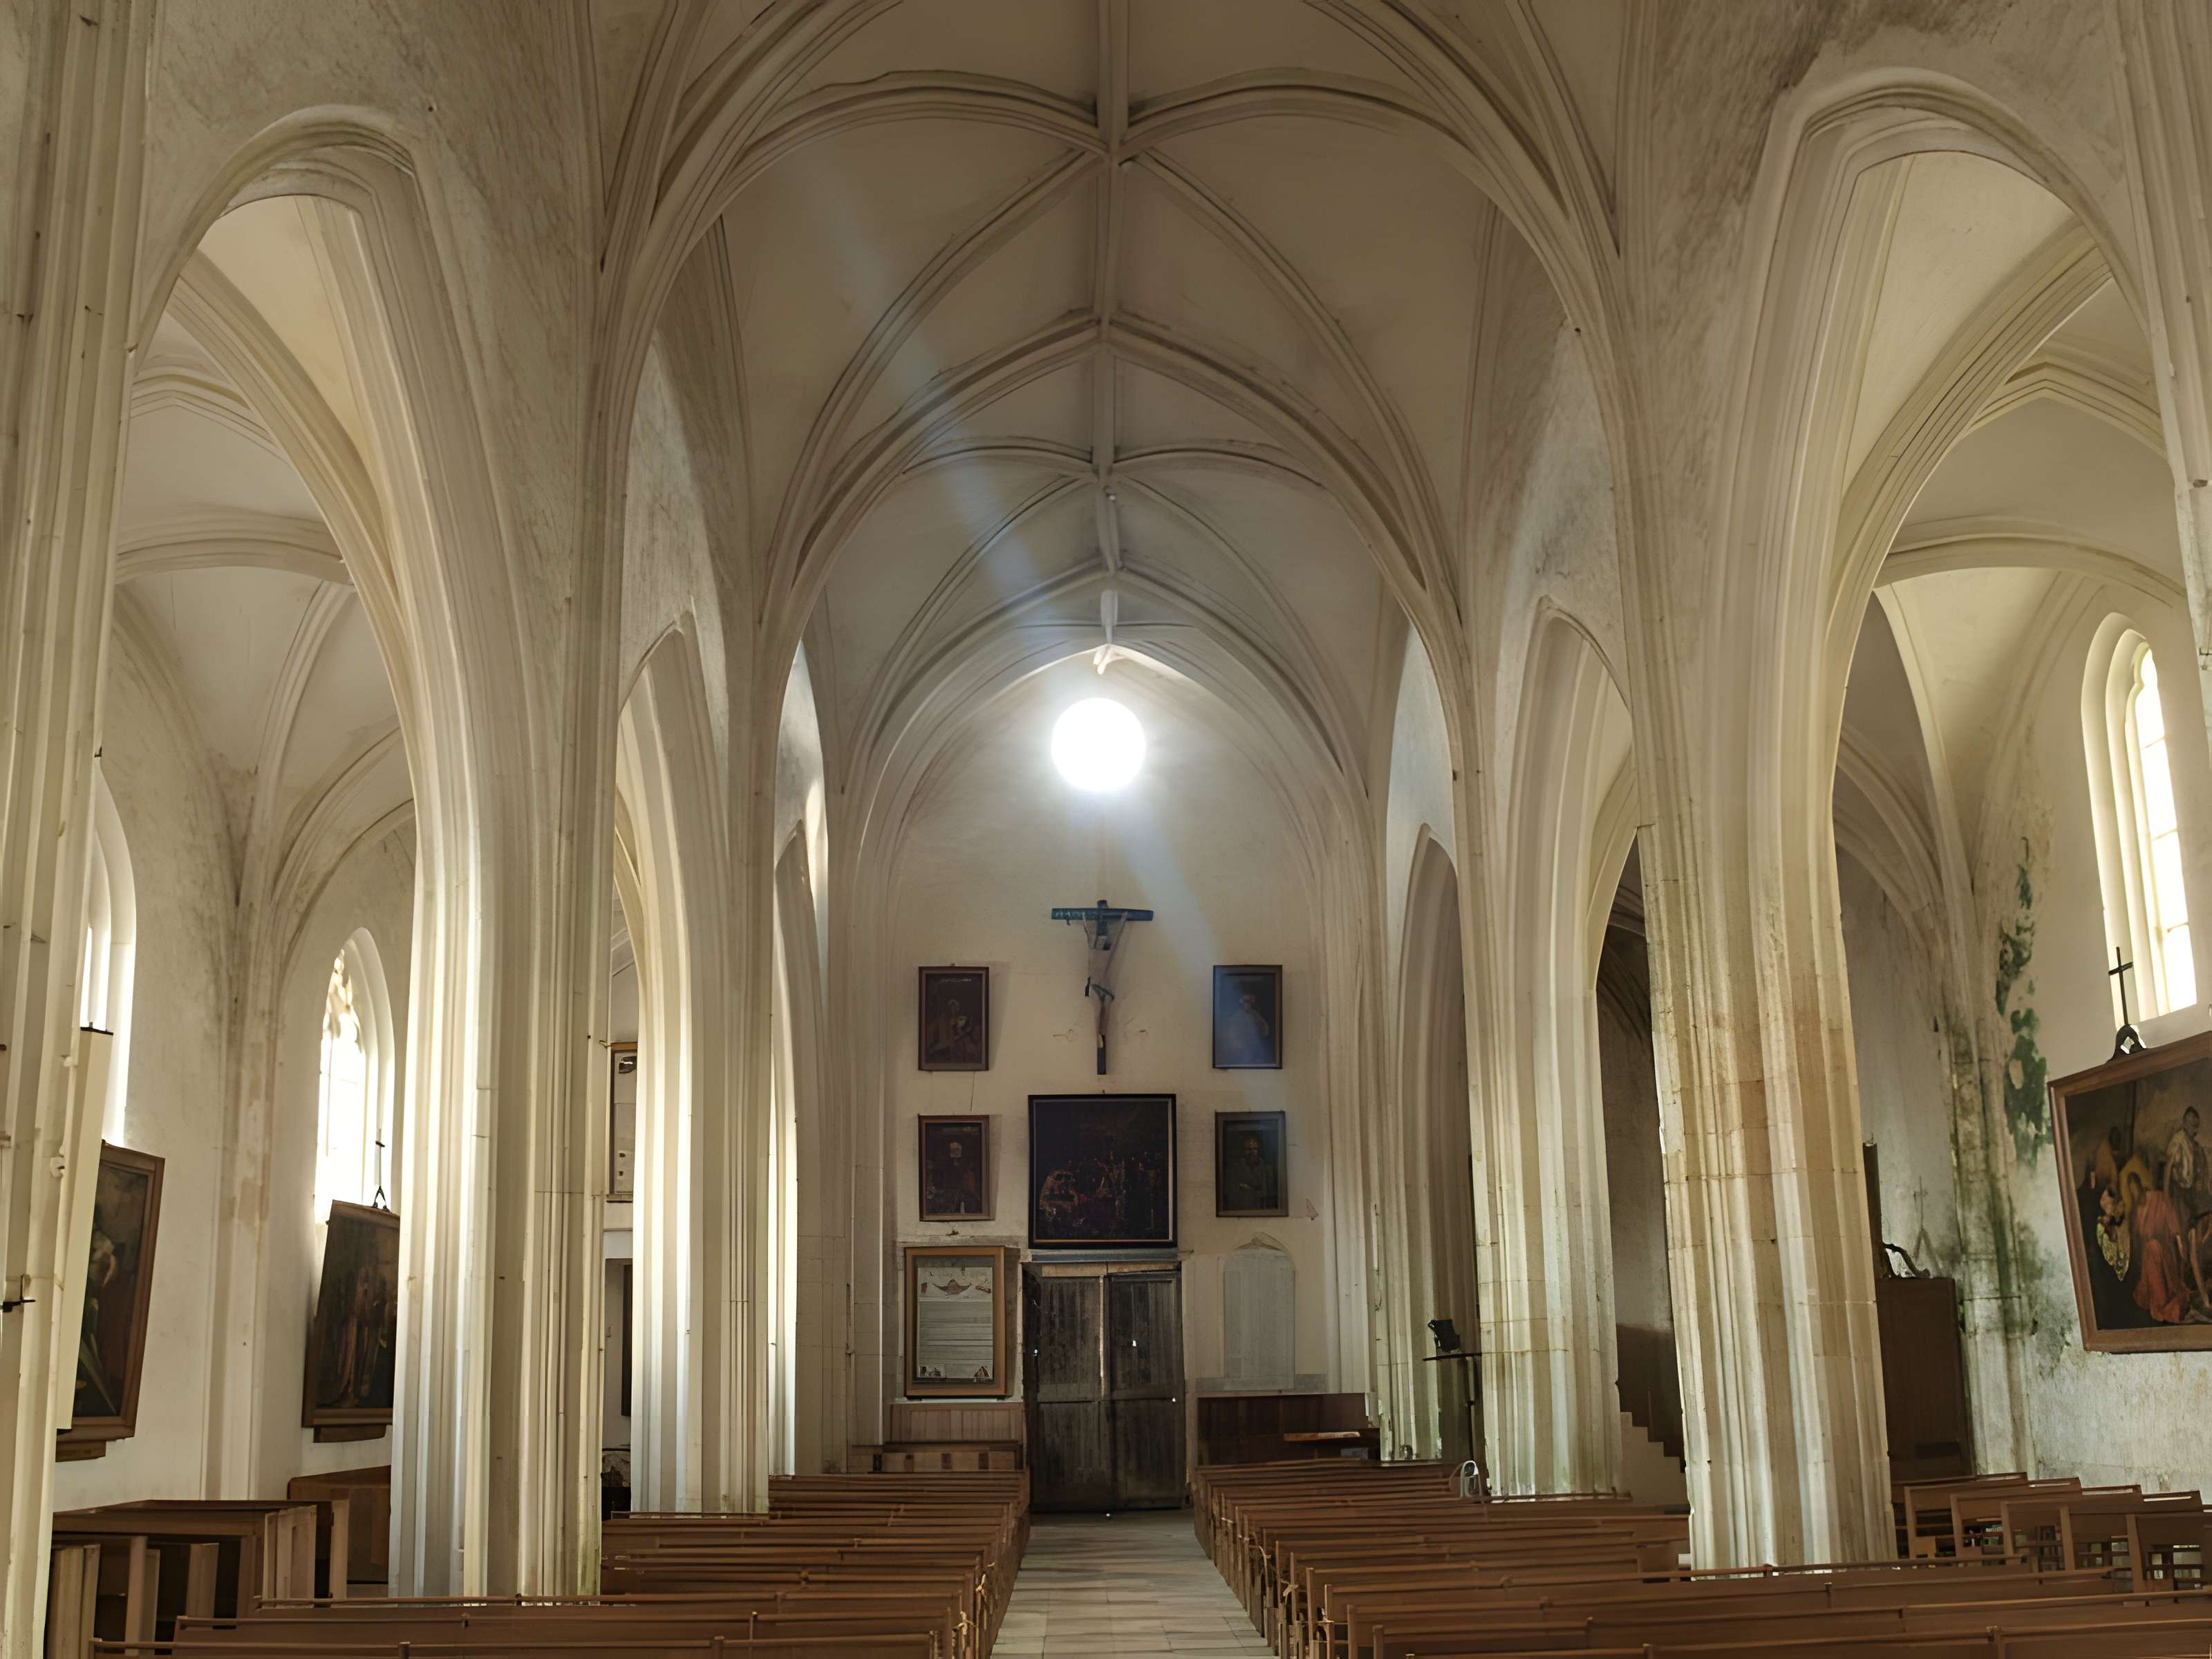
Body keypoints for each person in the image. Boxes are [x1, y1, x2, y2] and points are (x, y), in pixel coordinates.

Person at [2126, 1169, 2190, 1324]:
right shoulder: (2136, 1211)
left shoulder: (2158, 1198)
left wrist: (2181, 1245)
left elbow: (2174, 1224)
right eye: (2133, 1193)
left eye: (2137, 1191)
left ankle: (2164, 1303)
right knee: (2150, 1249)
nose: (2137, 1196)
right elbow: (2137, 1237)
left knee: (2154, 1246)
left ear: (2141, 1187)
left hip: (2165, 1250)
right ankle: (2160, 1302)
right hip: (2148, 1257)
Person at [2165, 1106, 2207, 1222]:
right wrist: (2166, 1195)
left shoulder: (2195, 1146)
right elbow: (2168, 1167)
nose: (2192, 1127)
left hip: (2190, 1191)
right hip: (2179, 1190)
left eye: (2195, 1124)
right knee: (2181, 1222)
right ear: (2184, 1123)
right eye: (2189, 1122)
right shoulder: (2178, 1140)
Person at [1221, 1131, 1278, 1212]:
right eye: (1248, 1149)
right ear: (1243, 1151)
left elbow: (1271, 1194)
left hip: (1262, 1209)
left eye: (1255, 1149)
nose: (1251, 1152)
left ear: (1259, 1151)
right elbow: (1229, 1193)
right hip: (1241, 1209)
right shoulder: (1233, 1169)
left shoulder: (1268, 1169)